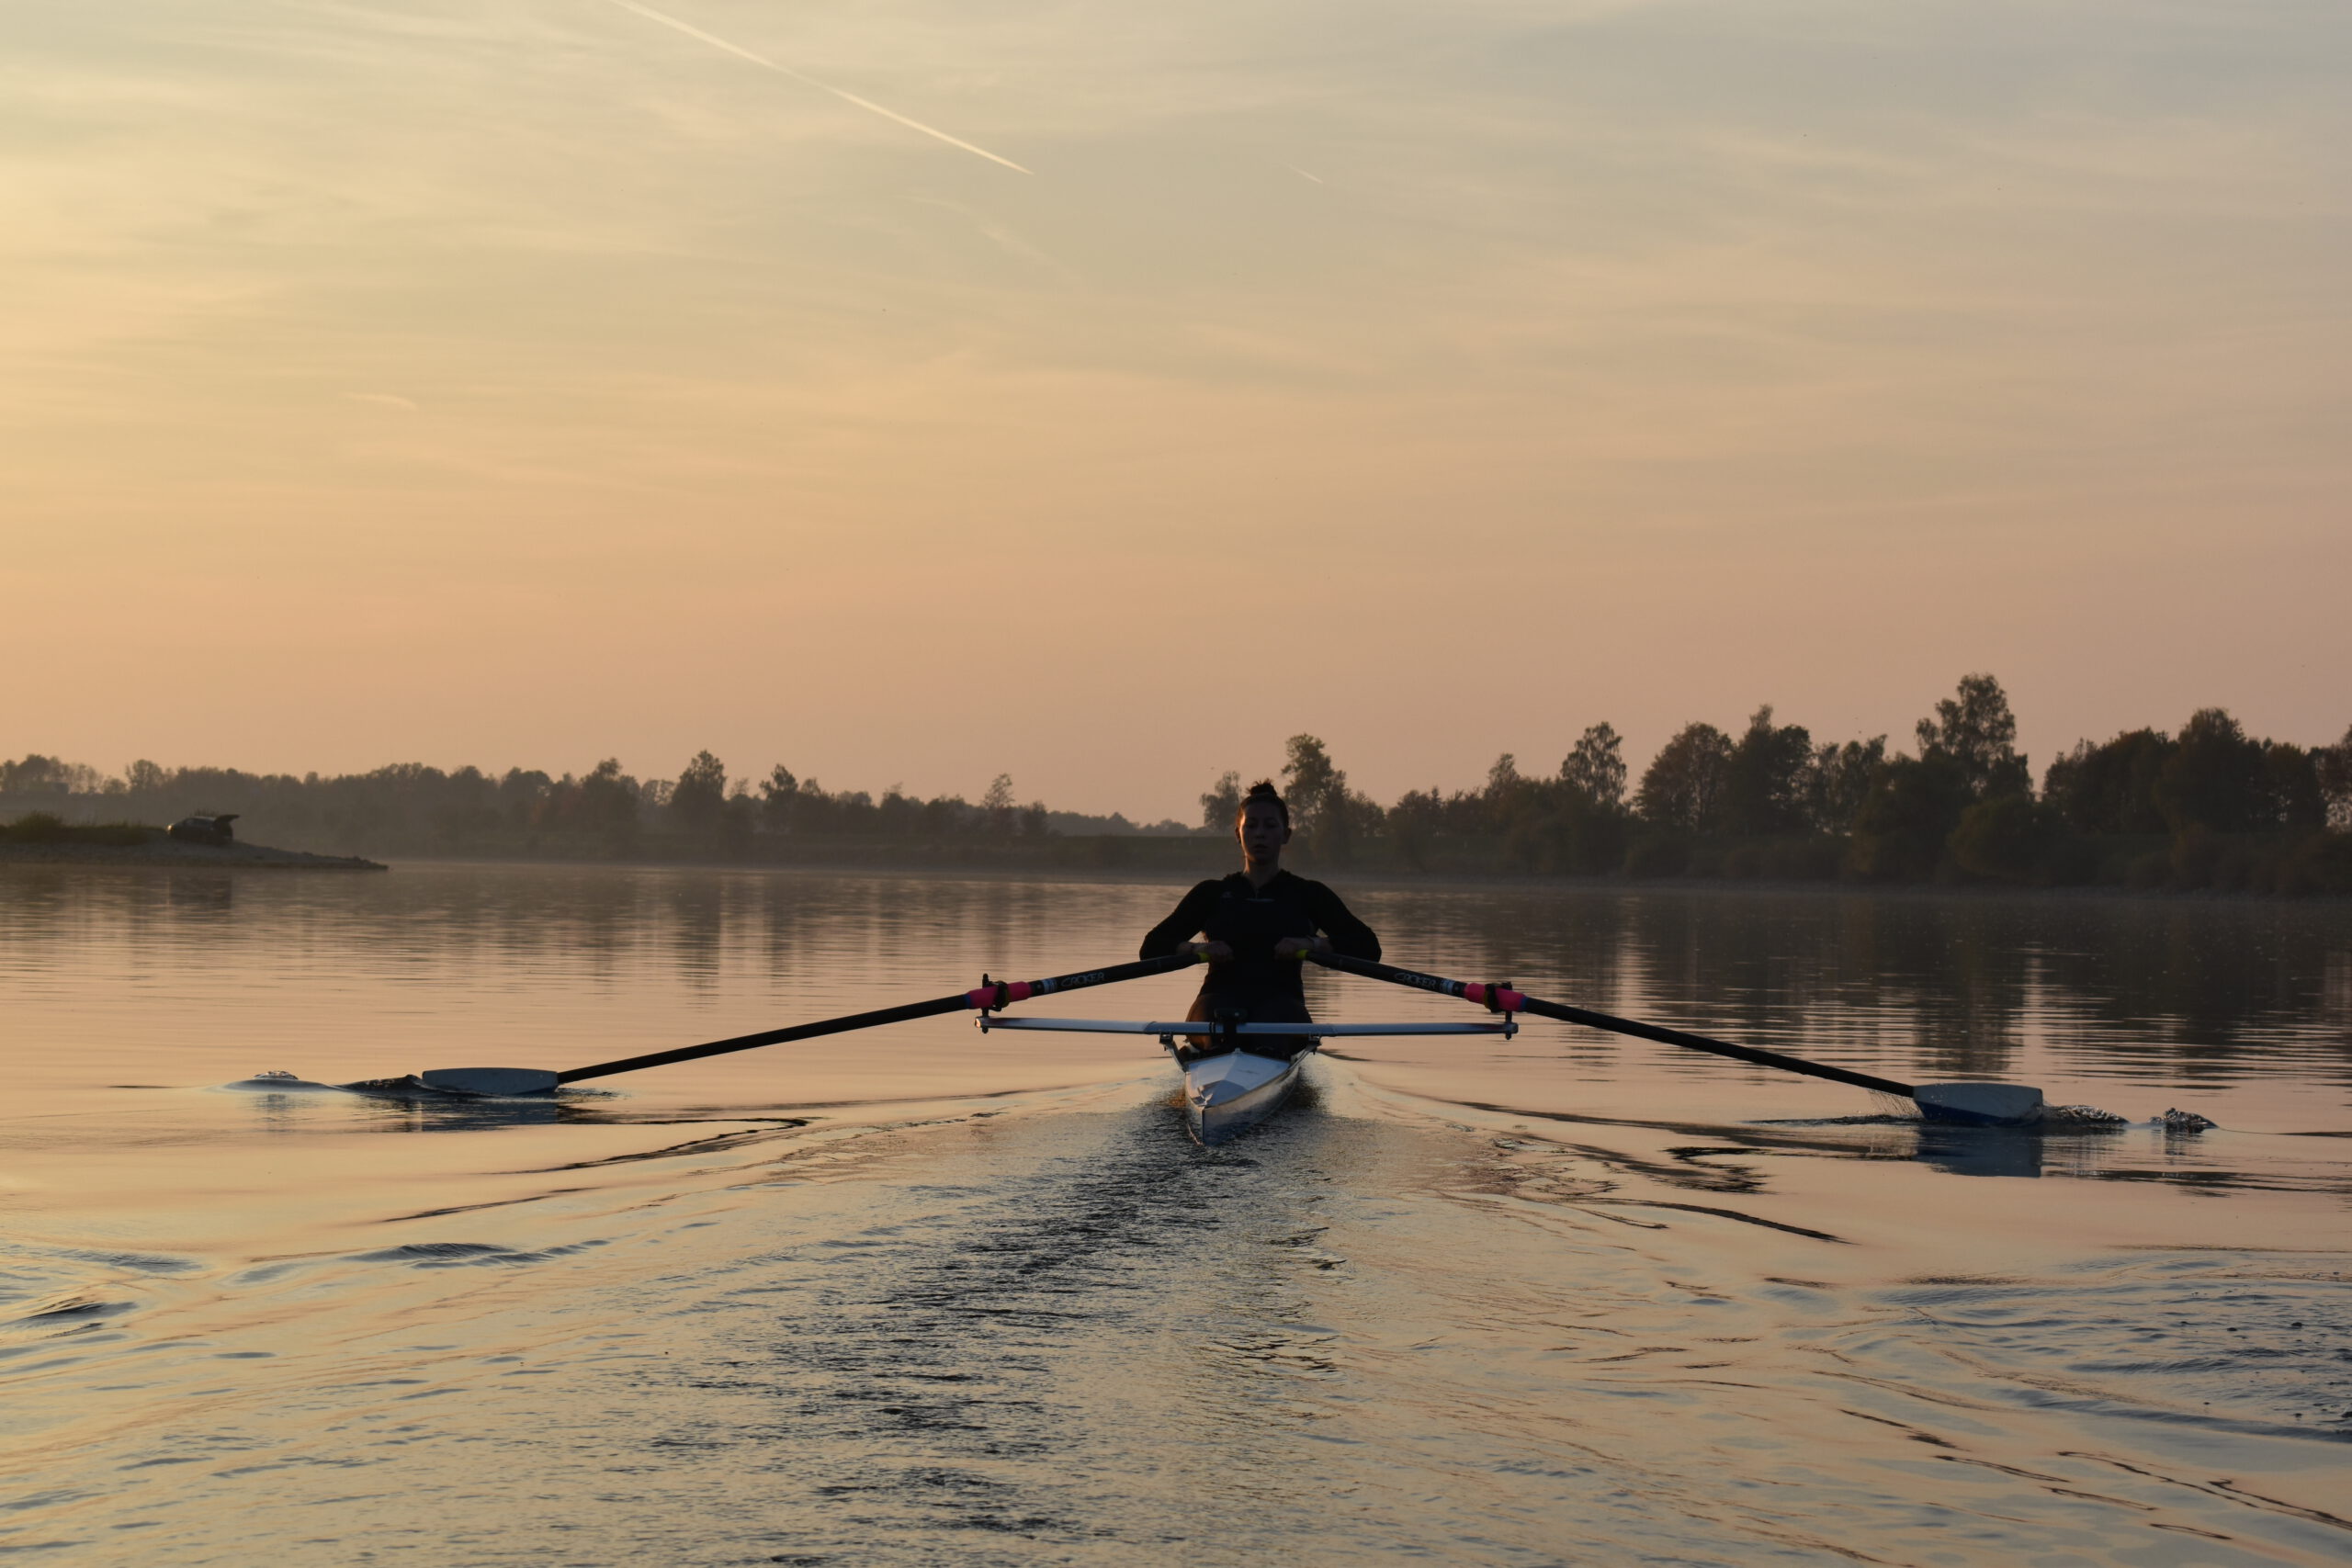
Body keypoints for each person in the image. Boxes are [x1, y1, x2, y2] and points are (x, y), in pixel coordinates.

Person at [1138, 780, 1381, 1061]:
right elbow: (1151, 948)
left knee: (1271, 1032)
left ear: (1286, 835)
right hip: (1218, 999)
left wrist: (1311, 943)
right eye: (1251, 826)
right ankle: (1220, 1057)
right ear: (1237, 835)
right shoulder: (1211, 893)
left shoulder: (1308, 894)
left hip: (1282, 1004)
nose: (1260, 834)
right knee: (1218, 1025)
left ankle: (1255, 1059)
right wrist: (1196, 949)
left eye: (1270, 826)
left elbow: (1368, 948)